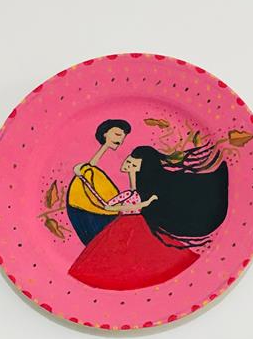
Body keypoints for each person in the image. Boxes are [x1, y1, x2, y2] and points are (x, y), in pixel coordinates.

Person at [67, 145, 229, 290]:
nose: (127, 164)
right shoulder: (134, 192)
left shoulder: (140, 193)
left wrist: (141, 203)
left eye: (133, 165)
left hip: (134, 224)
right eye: (129, 161)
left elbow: (122, 201)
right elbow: (112, 204)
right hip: (124, 223)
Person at [66, 119, 131, 245]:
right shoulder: (91, 167)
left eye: (123, 137)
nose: (120, 140)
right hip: (85, 207)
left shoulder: (118, 158)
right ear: (105, 133)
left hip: (108, 210)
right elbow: (90, 167)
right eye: (118, 134)